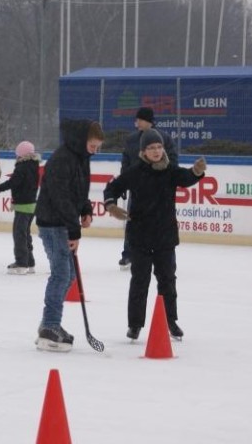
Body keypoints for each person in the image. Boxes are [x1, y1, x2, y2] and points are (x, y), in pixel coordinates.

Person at [103, 128, 206, 341]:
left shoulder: (170, 170)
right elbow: (112, 188)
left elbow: (186, 178)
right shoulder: (135, 172)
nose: (156, 151)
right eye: (151, 148)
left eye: (159, 147)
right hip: (140, 237)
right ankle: (135, 325)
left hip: (165, 237)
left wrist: (196, 172)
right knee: (139, 281)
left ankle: (171, 321)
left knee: (167, 280)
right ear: (144, 151)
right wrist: (111, 205)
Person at [34, 120, 104, 352]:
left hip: (63, 221)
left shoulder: (80, 158)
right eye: (93, 146)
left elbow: (79, 190)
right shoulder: (62, 159)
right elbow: (60, 196)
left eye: (97, 147)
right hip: (54, 223)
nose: (95, 151)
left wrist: (85, 209)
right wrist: (73, 229)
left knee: (69, 274)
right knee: (61, 274)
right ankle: (51, 326)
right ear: (82, 140)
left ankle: (48, 323)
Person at [118, 107, 178, 270]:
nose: (136, 122)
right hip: (138, 189)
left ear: (147, 121)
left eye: (139, 119)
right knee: (133, 222)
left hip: (159, 190)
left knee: (162, 224)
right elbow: (126, 162)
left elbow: (173, 161)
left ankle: (167, 257)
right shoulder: (131, 140)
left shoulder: (164, 138)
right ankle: (128, 254)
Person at [0, 140, 40, 275]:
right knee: (25, 234)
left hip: (23, 206)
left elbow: (13, 182)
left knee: (19, 235)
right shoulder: (34, 166)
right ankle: (30, 263)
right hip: (31, 205)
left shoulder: (22, 167)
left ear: (21, 155)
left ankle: (21, 263)